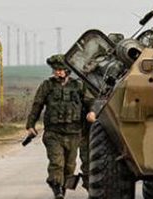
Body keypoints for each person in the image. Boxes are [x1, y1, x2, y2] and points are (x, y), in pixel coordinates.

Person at [26, 54, 96, 199]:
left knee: (69, 167)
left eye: (61, 69)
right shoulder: (47, 85)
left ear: (67, 70)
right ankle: (57, 189)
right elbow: (37, 105)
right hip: (53, 133)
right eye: (56, 70)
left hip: (74, 133)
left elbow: (90, 102)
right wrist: (30, 125)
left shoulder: (78, 86)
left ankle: (62, 187)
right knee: (57, 163)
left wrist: (92, 112)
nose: (58, 72)